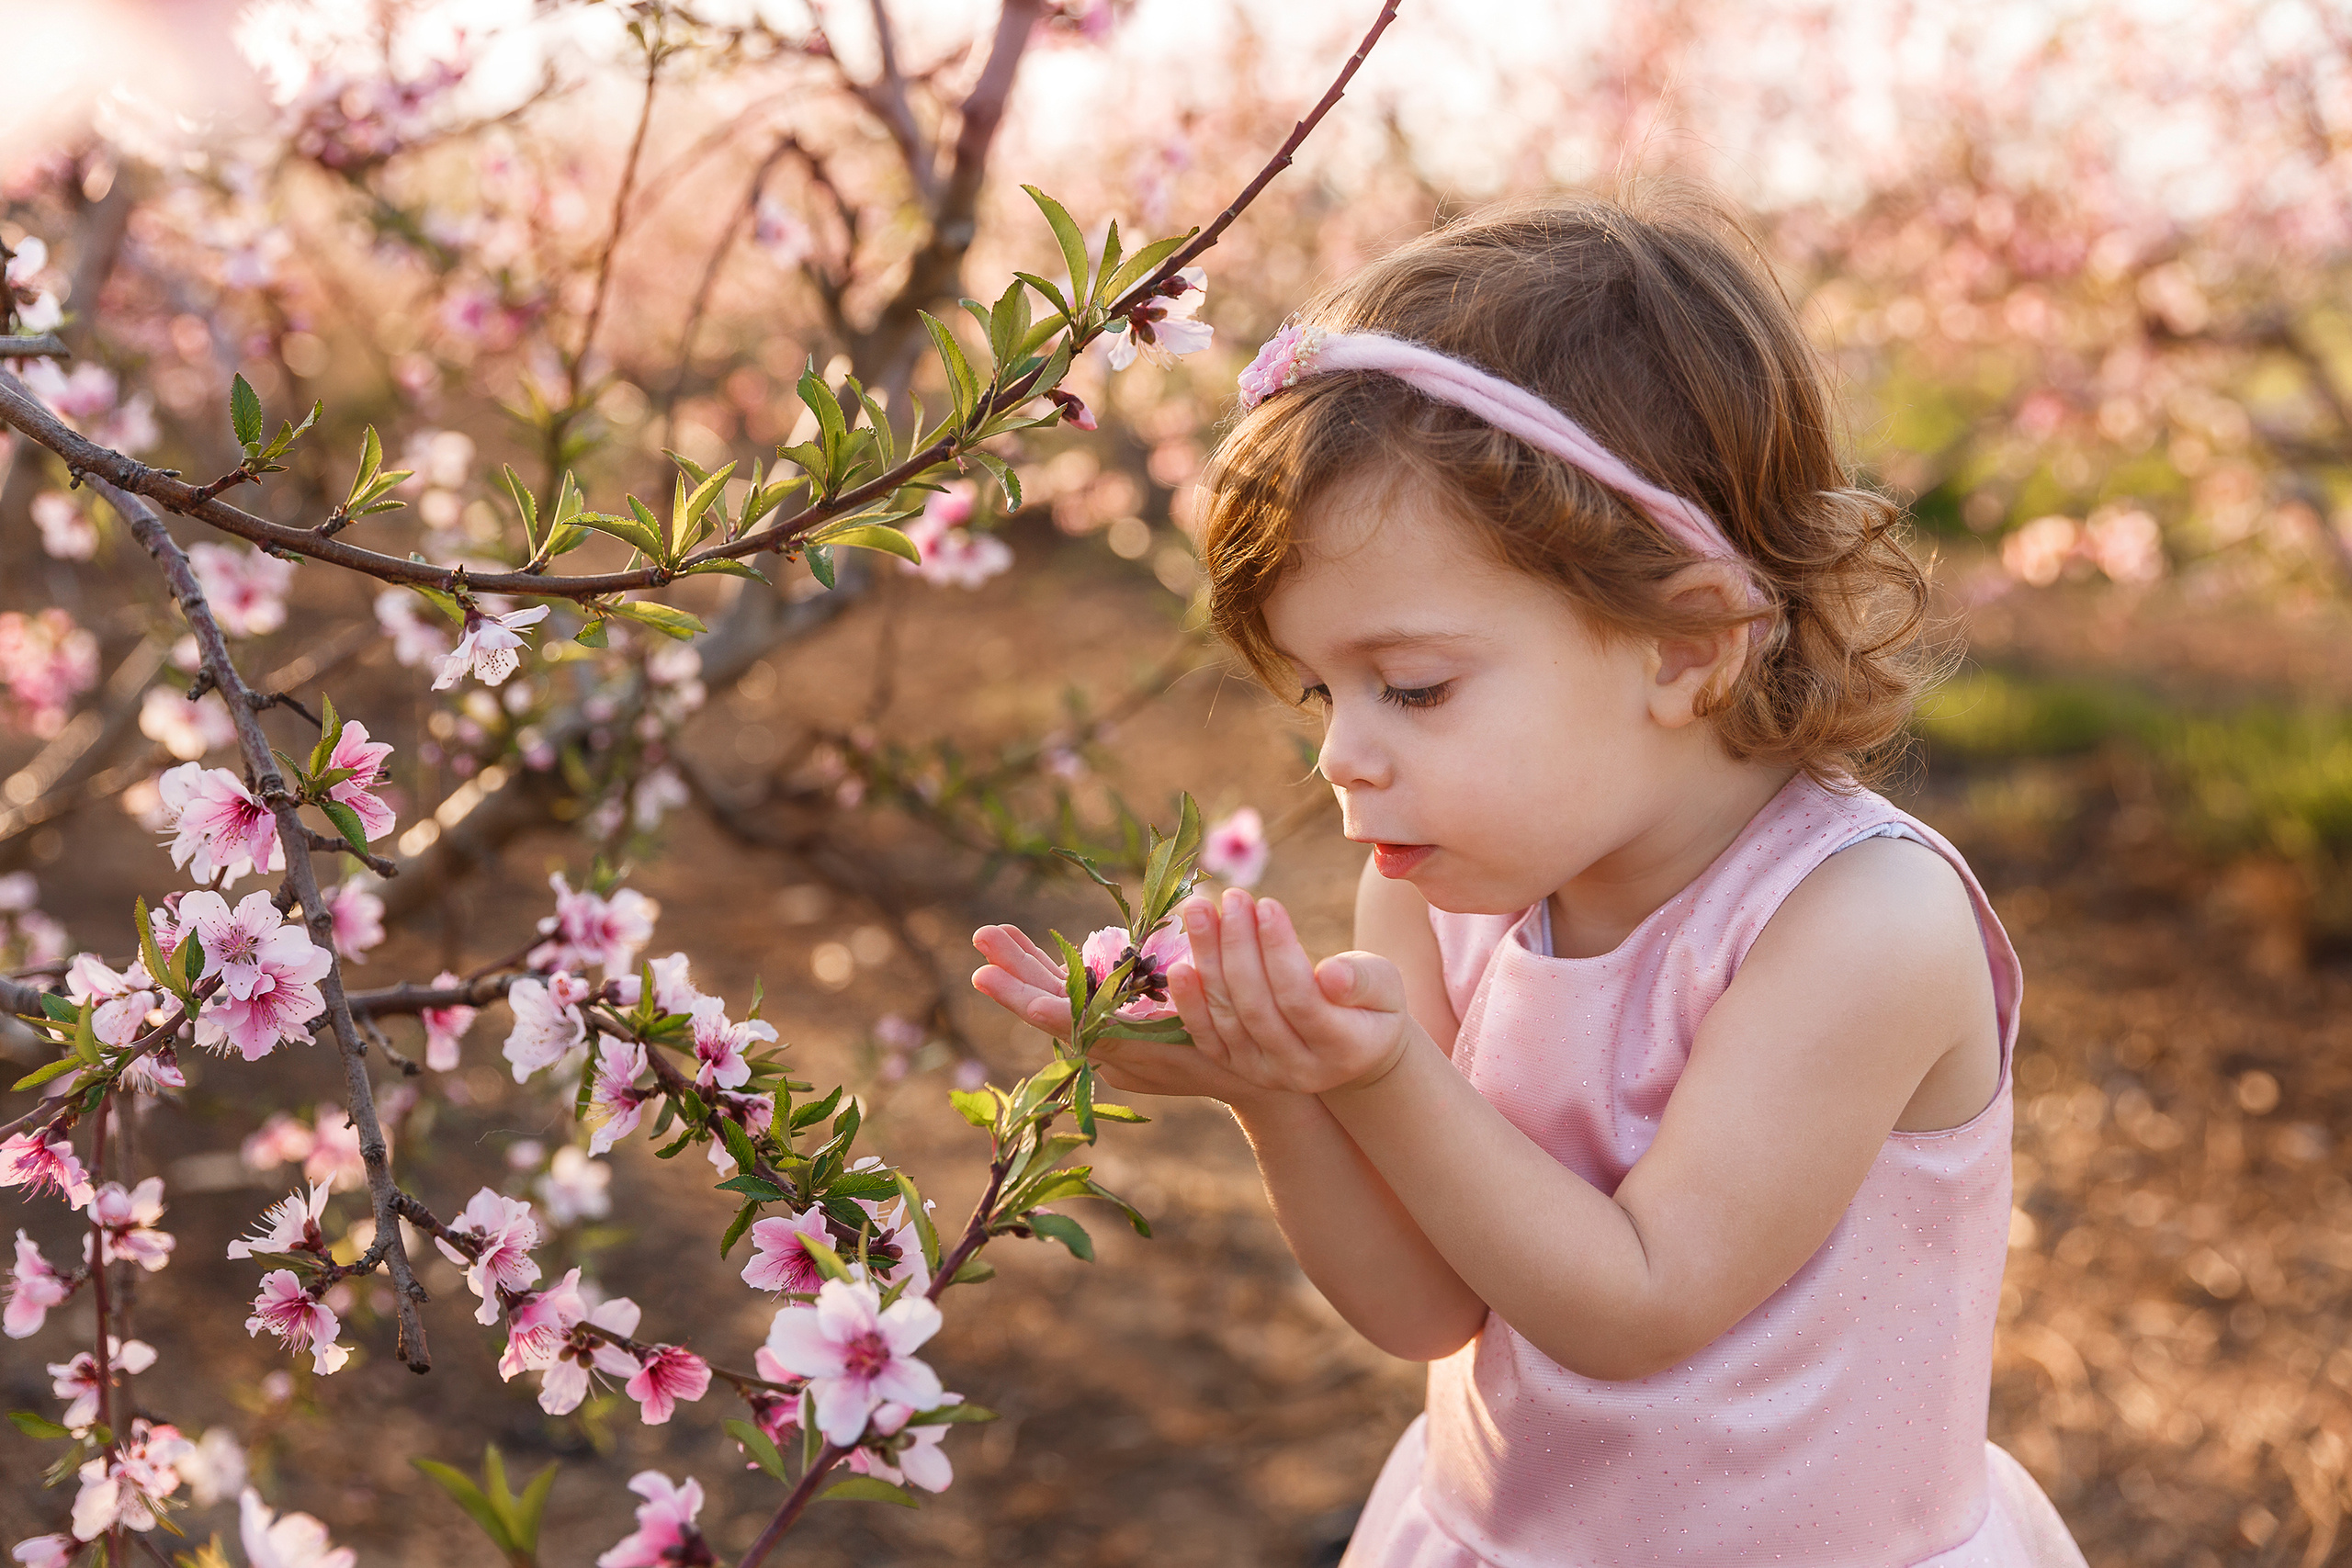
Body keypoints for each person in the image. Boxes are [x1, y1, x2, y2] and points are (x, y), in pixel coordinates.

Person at [970, 184, 2087, 1566]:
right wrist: (1285, 1102)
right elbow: (1430, 1312)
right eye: (1321, 692)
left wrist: (1375, 1079)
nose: (1340, 759)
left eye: (1416, 688)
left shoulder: (1862, 924)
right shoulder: (1439, 896)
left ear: (1685, 645)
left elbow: (1639, 1304)